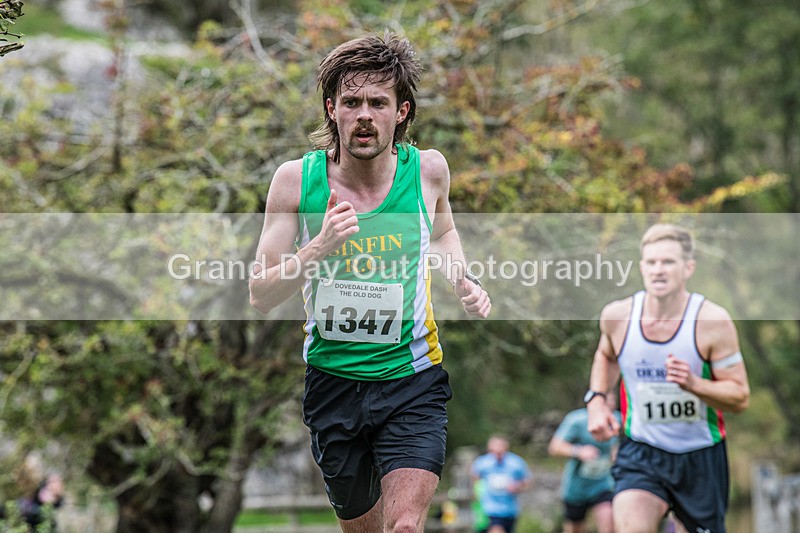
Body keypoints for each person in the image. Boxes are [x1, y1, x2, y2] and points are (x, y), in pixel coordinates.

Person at [248, 32, 491, 533]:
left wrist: (461, 278)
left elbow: (443, 233)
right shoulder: (296, 181)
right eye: (352, 102)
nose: (364, 115)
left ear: (401, 111)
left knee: (403, 527)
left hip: (412, 382)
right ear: (331, 108)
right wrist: (318, 248)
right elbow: (260, 293)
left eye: (378, 102)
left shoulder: (429, 171)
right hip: (333, 384)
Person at [586, 223, 750, 533]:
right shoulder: (617, 316)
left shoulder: (712, 322)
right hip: (641, 449)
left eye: (668, 262)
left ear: (688, 268)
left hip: (700, 454)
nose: (658, 270)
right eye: (651, 262)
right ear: (641, 267)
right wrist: (596, 400)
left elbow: (740, 396)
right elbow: (605, 355)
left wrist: (694, 384)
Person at [548, 392, 619, 533]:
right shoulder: (577, 419)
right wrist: (578, 451)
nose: (610, 404)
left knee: (608, 524)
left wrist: (616, 453)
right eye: (606, 401)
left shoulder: (617, 419)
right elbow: (555, 447)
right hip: (577, 487)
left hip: (604, 483)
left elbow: (617, 444)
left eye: (613, 401)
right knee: (575, 528)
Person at [470, 436, 532, 533]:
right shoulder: (482, 463)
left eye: (500, 448)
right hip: (489, 510)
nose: (497, 451)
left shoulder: (516, 463)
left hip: (510, 510)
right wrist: (478, 494)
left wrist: (517, 486)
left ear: (506, 447)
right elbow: (474, 479)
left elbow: (527, 482)